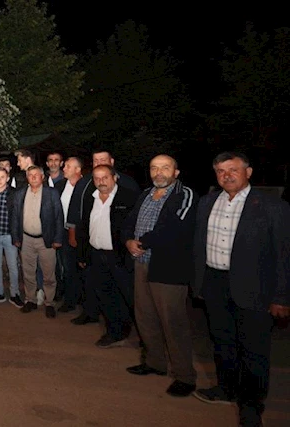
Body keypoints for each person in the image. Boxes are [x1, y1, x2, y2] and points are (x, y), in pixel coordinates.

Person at [192, 152, 290, 427]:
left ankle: (251, 406)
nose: (227, 175)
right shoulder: (207, 202)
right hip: (215, 283)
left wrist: (281, 297)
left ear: (248, 172)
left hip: (254, 288)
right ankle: (226, 389)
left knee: (253, 350)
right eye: (220, 171)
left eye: (233, 169)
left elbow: (284, 255)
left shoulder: (273, 206)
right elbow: (198, 245)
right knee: (222, 342)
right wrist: (198, 283)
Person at [122, 155, 198, 398]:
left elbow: (174, 227)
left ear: (176, 172)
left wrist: (142, 242)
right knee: (145, 317)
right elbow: (130, 220)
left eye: (165, 167)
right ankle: (154, 362)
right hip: (141, 263)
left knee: (173, 322)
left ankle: (184, 376)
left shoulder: (184, 195)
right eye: (154, 168)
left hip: (168, 268)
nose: (159, 172)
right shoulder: (146, 194)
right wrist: (128, 240)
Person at [76, 164, 138, 347]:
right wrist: (83, 254)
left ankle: (144, 335)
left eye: (105, 177)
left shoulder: (128, 198)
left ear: (114, 178)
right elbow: (84, 226)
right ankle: (115, 332)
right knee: (105, 295)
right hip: (96, 254)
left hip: (119, 256)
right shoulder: (91, 197)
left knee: (129, 296)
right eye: (97, 178)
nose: (101, 181)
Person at [10, 166, 64, 317]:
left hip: (46, 240)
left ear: (42, 177)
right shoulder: (20, 193)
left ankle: (49, 302)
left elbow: (59, 216)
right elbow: (15, 217)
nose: (33, 177)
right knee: (28, 273)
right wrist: (16, 237)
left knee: (48, 274)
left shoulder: (51, 193)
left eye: (36, 175)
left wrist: (58, 238)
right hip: (26, 239)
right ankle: (30, 300)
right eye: (30, 175)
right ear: (27, 178)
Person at [0, 167, 23, 307]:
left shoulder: (14, 193)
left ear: (8, 178)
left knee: (12, 265)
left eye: (2, 177)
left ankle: (14, 294)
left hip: (9, 235)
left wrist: (17, 235)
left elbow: (18, 215)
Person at [55, 157, 83, 313]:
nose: (64, 168)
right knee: (67, 267)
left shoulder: (86, 186)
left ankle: (83, 299)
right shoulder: (60, 186)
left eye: (68, 166)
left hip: (82, 234)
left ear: (77, 170)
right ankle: (70, 300)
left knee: (82, 266)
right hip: (63, 232)